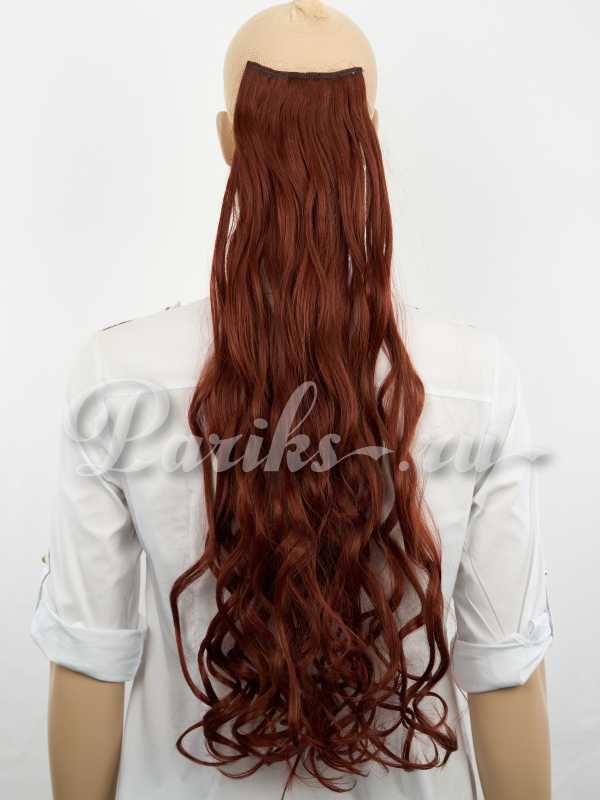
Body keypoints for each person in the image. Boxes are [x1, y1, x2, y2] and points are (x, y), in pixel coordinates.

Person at [31, 2, 554, 799]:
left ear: (228, 139)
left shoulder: (116, 375)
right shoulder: (478, 379)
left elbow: (88, 659)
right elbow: (505, 670)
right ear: (369, 133)